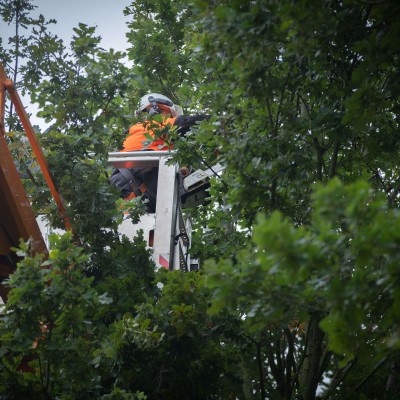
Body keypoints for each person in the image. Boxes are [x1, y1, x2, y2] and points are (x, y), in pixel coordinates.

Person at [110, 93, 209, 213]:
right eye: (168, 115)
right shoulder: (152, 126)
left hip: (129, 194)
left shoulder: (133, 134)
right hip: (135, 191)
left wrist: (178, 172)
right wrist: (224, 121)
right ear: (155, 110)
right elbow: (188, 123)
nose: (170, 119)